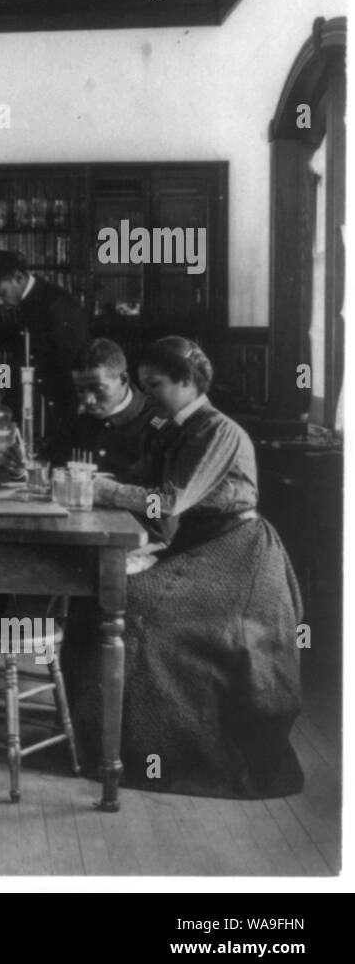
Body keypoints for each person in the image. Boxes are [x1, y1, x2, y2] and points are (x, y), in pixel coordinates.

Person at [68, 336, 305, 798]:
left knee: (137, 607)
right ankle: (97, 738)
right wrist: (88, 480)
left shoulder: (220, 431)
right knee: (105, 591)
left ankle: (154, 753)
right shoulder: (171, 425)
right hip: (195, 547)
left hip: (238, 554)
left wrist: (104, 491)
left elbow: (170, 500)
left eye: (154, 385)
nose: (148, 394)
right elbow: (142, 480)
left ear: (187, 381)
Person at [0, 250, 89, 439]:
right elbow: (13, 360)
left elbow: (65, 365)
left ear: (18, 277)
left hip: (55, 410)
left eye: (1, 293)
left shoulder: (59, 304)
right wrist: (3, 398)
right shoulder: (23, 303)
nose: (0, 302)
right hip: (33, 406)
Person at [28, 338, 158, 475]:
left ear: (123, 379)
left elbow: (161, 493)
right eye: (80, 390)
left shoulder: (156, 420)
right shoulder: (76, 417)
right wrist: (21, 468)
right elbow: (48, 463)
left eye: (98, 388)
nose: (87, 400)